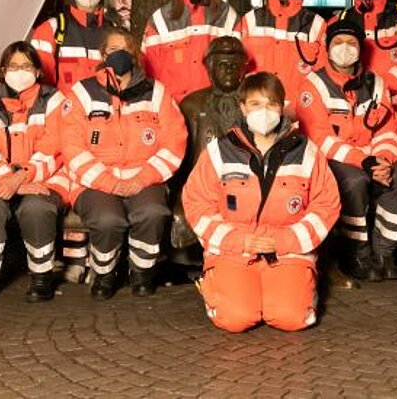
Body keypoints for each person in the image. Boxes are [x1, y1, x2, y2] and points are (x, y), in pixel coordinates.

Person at [182, 72, 340, 332]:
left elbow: (327, 204)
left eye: (271, 104)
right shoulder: (219, 151)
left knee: (291, 318)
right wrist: (239, 240)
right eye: (255, 104)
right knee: (235, 319)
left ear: (282, 107)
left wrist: (285, 240)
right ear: (243, 107)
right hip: (235, 249)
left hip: (287, 250)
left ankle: (293, 287)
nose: (264, 112)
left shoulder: (306, 152)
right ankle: (216, 283)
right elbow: (197, 203)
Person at [59, 27, 187, 298]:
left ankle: (141, 271)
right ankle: (105, 272)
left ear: (135, 56)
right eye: (113, 51)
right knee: (108, 219)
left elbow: (175, 142)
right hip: (95, 181)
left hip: (144, 178)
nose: (119, 56)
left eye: (125, 50)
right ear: (103, 55)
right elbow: (71, 148)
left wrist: (142, 179)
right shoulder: (83, 93)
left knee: (153, 213)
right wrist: (110, 183)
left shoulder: (156, 93)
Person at [296, 19, 397, 282]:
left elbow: (388, 128)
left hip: (373, 158)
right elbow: (320, 139)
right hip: (334, 160)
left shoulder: (376, 83)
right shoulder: (312, 85)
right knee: (354, 181)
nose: (345, 48)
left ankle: (383, 253)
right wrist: (364, 162)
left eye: (351, 43)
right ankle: (356, 254)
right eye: (338, 43)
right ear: (327, 48)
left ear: (361, 49)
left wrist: (384, 161)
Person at [30, 0, 123, 279]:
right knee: (68, 186)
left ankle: (93, 260)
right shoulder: (52, 29)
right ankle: (72, 259)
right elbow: (38, 85)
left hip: (105, 124)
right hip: (62, 125)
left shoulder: (116, 28)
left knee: (94, 186)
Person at [0, 42, 65, 304]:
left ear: (38, 71)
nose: (20, 72)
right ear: (3, 70)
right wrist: (9, 179)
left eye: (27, 66)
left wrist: (20, 178)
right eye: (14, 66)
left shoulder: (55, 100)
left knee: (37, 209)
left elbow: (55, 148)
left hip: (44, 178)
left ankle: (42, 276)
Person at [170, 36, 249, 253]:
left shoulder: (254, 102)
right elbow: (180, 160)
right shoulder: (192, 105)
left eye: (234, 65)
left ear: (244, 68)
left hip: (245, 187)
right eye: (222, 65)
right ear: (209, 68)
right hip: (200, 188)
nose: (229, 70)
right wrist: (178, 195)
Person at [142, 0, 239, 103]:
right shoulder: (160, 19)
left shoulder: (227, 15)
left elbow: (239, 66)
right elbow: (148, 71)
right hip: (173, 110)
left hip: (214, 109)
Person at [239, 0, 325, 99]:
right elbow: (240, 68)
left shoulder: (315, 24)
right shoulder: (250, 20)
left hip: (300, 112)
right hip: (259, 108)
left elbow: (322, 74)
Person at [30, 0, 124, 93]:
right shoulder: (51, 30)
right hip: (65, 111)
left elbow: (124, 80)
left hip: (107, 110)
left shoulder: (116, 34)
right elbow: (38, 87)